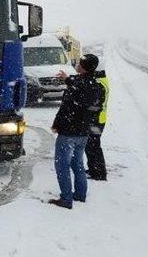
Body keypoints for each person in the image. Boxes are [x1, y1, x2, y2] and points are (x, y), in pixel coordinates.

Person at [48, 54, 103, 209]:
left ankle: (66, 199)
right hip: (84, 132)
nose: (77, 65)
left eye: (80, 63)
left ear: (83, 66)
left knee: (62, 165)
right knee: (78, 163)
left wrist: (56, 124)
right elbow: (83, 90)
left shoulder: (77, 85)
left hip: (68, 132)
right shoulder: (97, 86)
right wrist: (68, 79)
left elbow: (66, 107)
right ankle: (80, 194)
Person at [86, 70, 109, 181]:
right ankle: (93, 169)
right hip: (98, 119)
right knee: (91, 145)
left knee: (93, 146)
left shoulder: (99, 84)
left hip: (96, 121)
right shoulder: (102, 80)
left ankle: (99, 173)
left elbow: (95, 106)